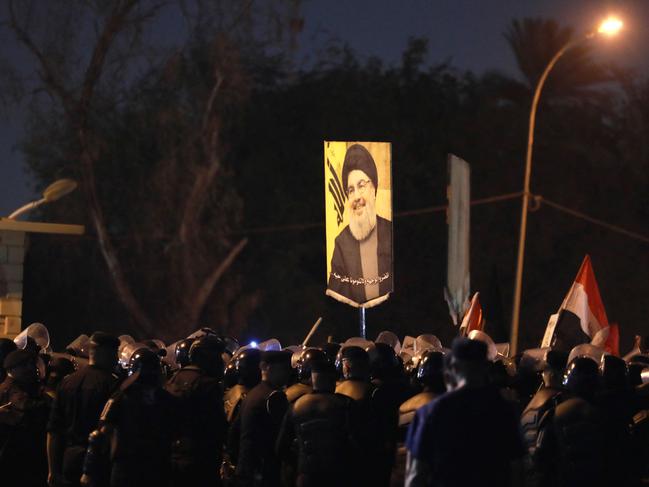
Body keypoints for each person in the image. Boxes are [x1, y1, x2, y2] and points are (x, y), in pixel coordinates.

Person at [405, 338, 525, 487]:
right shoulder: (505, 411)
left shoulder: (429, 413)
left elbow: (416, 474)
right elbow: (517, 469)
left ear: (452, 368)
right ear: (487, 368)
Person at [81, 349, 176, 487]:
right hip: (153, 467)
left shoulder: (120, 397)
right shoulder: (166, 399)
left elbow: (100, 434)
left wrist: (88, 470)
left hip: (129, 468)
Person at [47, 332, 121, 487]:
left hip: (69, 459)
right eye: (115, 353)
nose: (117, 358)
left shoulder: (67, 382)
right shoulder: (112, 384)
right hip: (100, 463)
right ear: (107, 353)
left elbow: (54, 431)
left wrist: (53, 470)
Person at [327, 144, 392, 306]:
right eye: (350, 190)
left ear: (373, 188)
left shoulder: (390, 233)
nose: (356, 196)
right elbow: (337, 292)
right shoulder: (341, 243)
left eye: (361, 186)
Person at [276, 359, 357, 487]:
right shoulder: (346, 404)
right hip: (337, 475)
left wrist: (300, 462)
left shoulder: (296, 406)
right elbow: (355, 443)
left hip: (306, 476)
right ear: (332, 379)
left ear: (312, 379)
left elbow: (281, 447)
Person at [165, 334, 227, 487]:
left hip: (174, 456)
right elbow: (217, 426)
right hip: (201, 459)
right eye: (217, 356)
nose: (221, 362)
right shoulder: (208, 385)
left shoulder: (174, 379)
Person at [236, 350, 291, 487]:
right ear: (267, 367)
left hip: (247, 470)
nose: (287, 373)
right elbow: (282, 438)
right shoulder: (275, 397)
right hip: (265, 471)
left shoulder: (251, 394)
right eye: (283, 368)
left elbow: (234, 432)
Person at [0, 349, 52, 487]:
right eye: (26, 365)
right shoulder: (14, 390)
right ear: (14, 368)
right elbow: (31, 408)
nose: (32, 369)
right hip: (16, 458)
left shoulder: (8, 387)